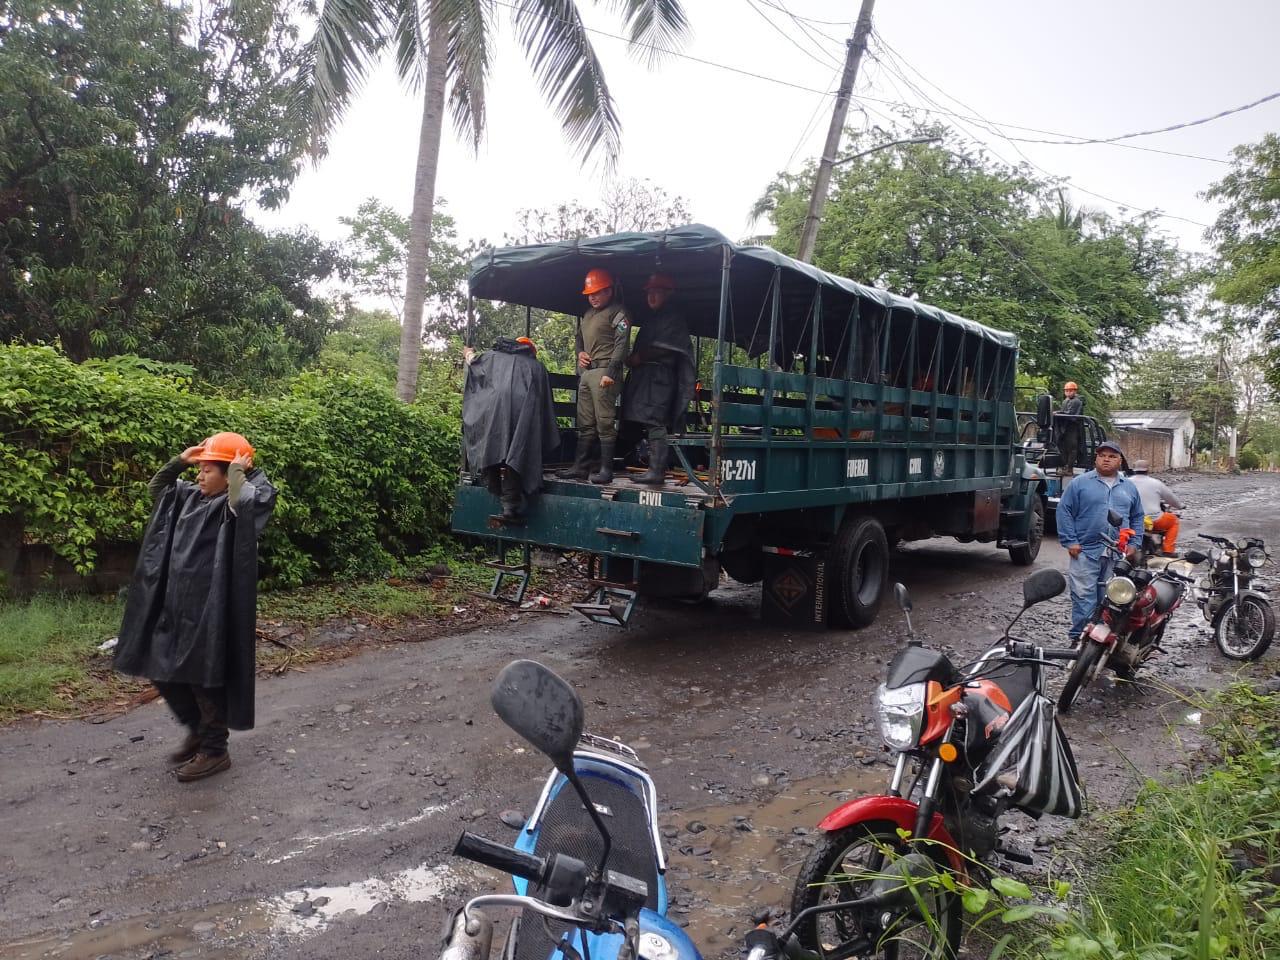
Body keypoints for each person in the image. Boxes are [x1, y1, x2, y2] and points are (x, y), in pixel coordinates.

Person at [114, 433, 277, 782]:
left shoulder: (240, 502)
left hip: (210, 610)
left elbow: (241, 500)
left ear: (229, 472)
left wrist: (236, 472)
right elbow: (157, 490)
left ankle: (215, 751)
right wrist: (180, 461)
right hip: (175, 605)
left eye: (207, 470)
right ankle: (197, 730)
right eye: (198, 470)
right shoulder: (187, 497)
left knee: (203, 676)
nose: (199, 476)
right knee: (161, 667)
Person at [1056, 439, 1145, 642]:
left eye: (1112, 456)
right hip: (1086, 550)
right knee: (1083, 596)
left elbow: (1138, 516)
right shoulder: (1080, 483)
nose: (1106, 460)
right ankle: (1080, 639)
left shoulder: (1129, 487)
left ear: (1120, 461)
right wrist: (1070, 541)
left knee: (1110, 597)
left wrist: (1134, 543)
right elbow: (1064, 511)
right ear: (1096, 458)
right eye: (1102, 455)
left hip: (1117, 552)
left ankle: (1100, 642)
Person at [462, 336, 559, 519]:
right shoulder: (537, 367)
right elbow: (545, 403)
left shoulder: (492, 357)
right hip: (525, 415)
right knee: (519, 452)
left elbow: (474, 363)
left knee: (492, 445)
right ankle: (510, 503)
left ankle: (495, 487)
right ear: (529, 350)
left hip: (495, 411)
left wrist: (468, 352)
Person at [621, 273, 696, 486]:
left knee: (655, 422)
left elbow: (667, 348)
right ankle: (650, 466)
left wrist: (638, 357)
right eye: (649, 293)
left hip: (660, 379)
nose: (651, 297)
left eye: (656, 292)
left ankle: (657, 471)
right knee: (648, 420)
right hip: (649, 379)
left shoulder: (673, 317)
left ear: (668, 294)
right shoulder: (655, 317)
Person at [558, 267, 631, 485]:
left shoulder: (619, 313)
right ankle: (580, 467)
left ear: (609, 291)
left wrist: (612, 371)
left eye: (598, 292)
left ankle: (606, 470)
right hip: (587, 373)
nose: (593, 297)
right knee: (585, 423)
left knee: (605, 422)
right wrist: (579, 353)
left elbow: (622, 344)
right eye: (590, 293)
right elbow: (578, 339)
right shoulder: (587, 315)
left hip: (605, 373)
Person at [1128, 459, 1185, 556]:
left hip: (1131, 521)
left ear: (1134, 470)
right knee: (1174, 521)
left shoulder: (1126, 482)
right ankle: (1168, 551)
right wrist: (1180, 506)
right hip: (1154, 521)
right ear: (1147, 470)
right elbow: (1171, 499)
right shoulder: (1156, 483)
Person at [1057, 381, 1083, 471]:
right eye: (1067, 391)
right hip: (1065, 427)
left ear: (1075, 391)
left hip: (1073, 427)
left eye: (1070, 391)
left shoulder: (1077, 401)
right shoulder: (1065, 401)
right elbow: (1063, 412)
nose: (1068, 392)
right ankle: (1064, 465)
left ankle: (1069, 467)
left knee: (1072, 447)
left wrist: (1058, 413)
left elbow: (1070, 414)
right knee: (1063, 447)